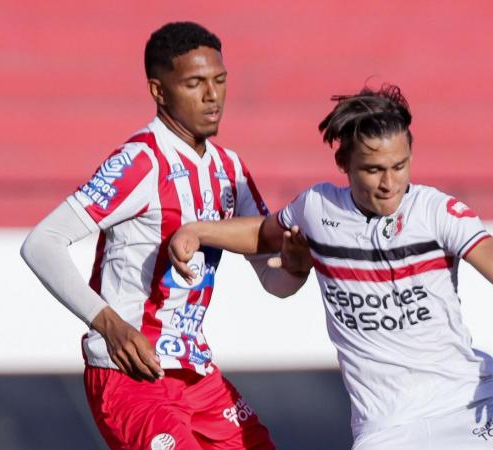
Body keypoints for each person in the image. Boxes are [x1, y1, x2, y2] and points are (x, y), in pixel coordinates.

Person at [169, 84, 493, 450]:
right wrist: (197, 231)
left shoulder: (438, 212)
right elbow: (259, 235)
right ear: (344, 165)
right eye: (374, 169)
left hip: (465, 407)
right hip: (386, 427)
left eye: (399, 166)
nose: (389, 182)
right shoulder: (318, 208)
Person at [20, 22, 307, 450]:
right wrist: (108, 325)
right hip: (131, 376)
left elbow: (274, 280)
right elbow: (41, 243)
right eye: (195, 83)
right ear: (159, 91)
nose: (212, 96)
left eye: (220, 80)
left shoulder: (230, 170)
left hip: (196, 374)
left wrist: (297, 268)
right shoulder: (141, 161)